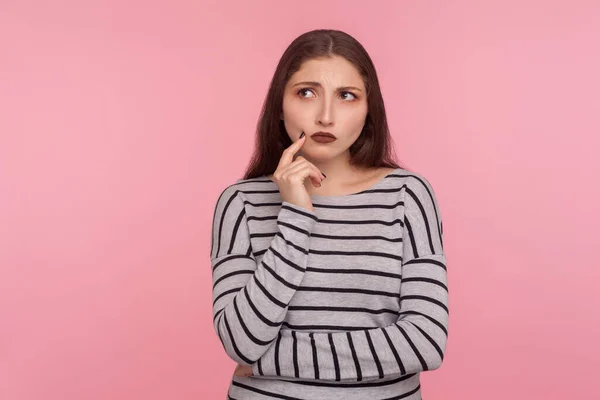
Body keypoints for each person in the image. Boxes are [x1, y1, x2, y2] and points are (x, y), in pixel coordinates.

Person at [209, 29, 448, 400]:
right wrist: (295, 216)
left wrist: (269, 362)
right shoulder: (240, 202)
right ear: (280, 104)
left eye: (347, 96)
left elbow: (426, 342)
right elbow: (241, 343)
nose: (325, 116)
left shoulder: (407, 195)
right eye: (306, 92)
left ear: (369, 111)